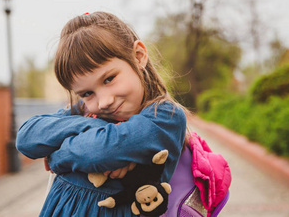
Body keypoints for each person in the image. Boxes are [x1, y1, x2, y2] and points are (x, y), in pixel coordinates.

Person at [16, 12, 187, 216]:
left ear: (139, 56)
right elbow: (26, 138)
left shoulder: (165, 116)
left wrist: (55, 157)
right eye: (87, 93)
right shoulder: (85, 111)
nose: (104, 101)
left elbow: (98, 152)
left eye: (108, 79)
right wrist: (97, 128)